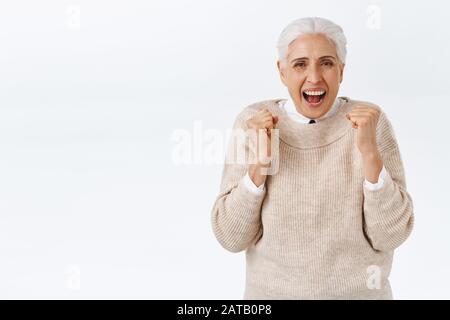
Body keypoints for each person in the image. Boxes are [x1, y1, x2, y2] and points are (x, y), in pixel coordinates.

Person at [210, 17, 414, 299]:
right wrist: (260, 165)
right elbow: (231, 237)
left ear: (341, 71)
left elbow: (391, 236)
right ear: (282, 72)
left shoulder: (371, 122)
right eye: (300, 64)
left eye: (327, 63)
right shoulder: (253, 123)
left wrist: (369, 155)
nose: (315, 77)